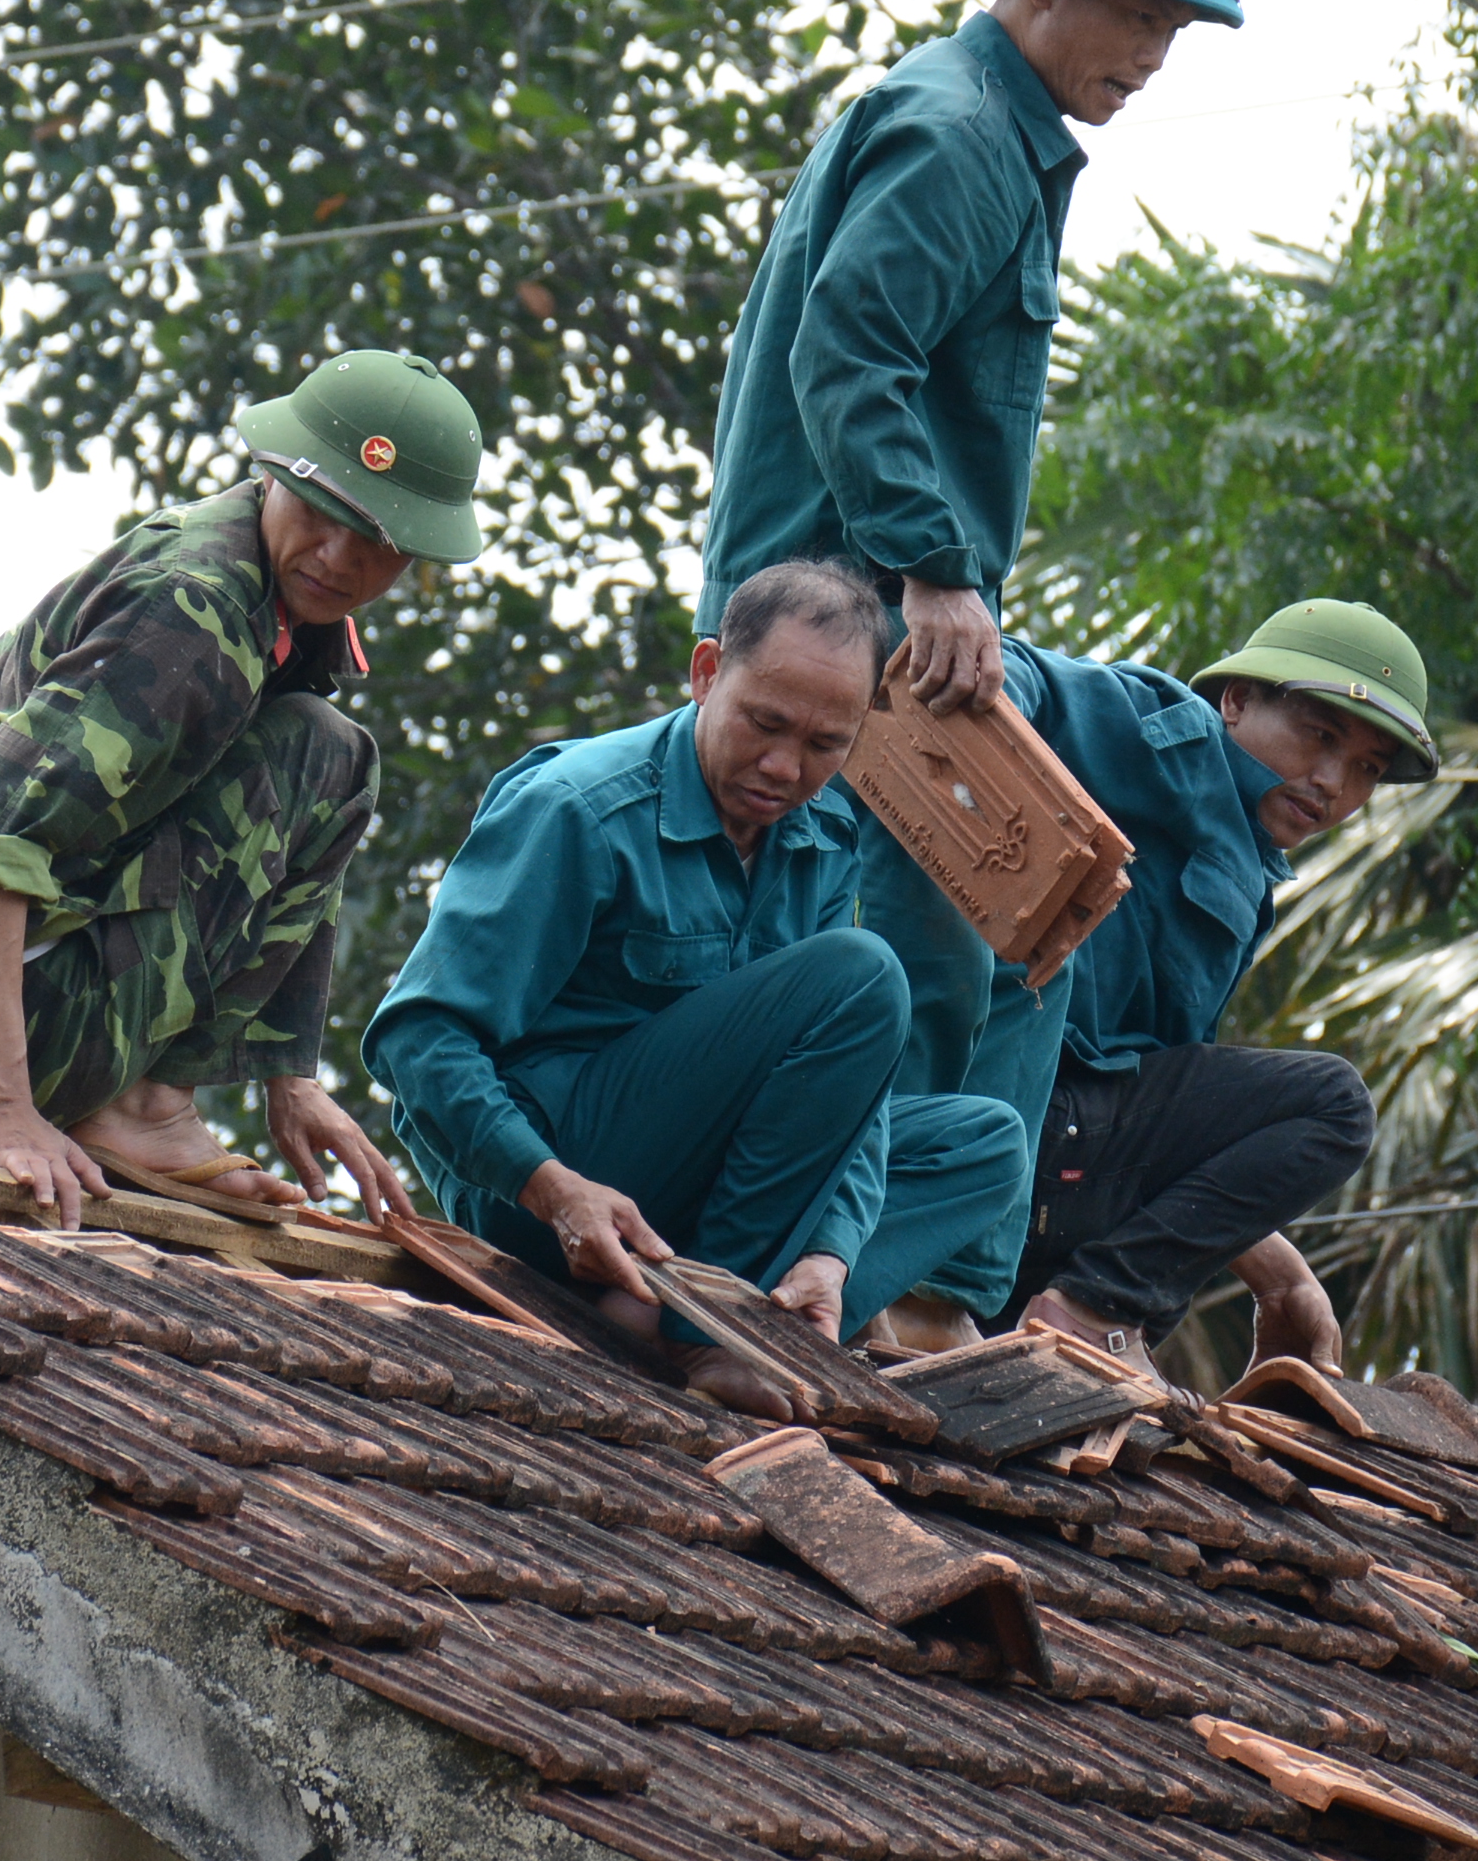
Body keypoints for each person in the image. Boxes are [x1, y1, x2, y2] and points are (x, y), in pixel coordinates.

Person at [685, 0, 1246, 1297]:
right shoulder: (959, 133)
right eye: (1138, 16)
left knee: (1015, 933)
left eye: (1174, 30)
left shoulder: (994, 129)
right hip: (852, 630)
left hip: (876, 616)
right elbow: (850, 353)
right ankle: (870, 1292)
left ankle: (923, 1299)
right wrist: (933, 573)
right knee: (931, 956)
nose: (1153, 55)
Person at [0, 349, 484, 1229]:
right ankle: (136, 1106)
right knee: (321, 752)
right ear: (274, 473)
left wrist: (289, 1074)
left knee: (331, 756)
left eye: (379, 542)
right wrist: (1, 1108)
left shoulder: (281, 609)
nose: (338, 557)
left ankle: (151, 1106)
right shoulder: (191, 611)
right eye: (323, 509)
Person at [366, 559, 1032, 1419]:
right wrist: (551, 1188)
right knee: (863, 974)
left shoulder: (824, 835)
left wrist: (833, 1251)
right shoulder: (578, 808)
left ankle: (740, 1306)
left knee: (985, 1144)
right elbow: (416, 1041)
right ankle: (707, 1333)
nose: (784, 767)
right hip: (551, 1182)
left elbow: (852, 1092)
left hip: (697, 1195)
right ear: (707, 672)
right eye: (765, 723)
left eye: (825, 746)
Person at [989, 598, 1438, 1368]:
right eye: (1320, 735)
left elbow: (1165, 1110)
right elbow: (1004, 672)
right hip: (1013, 1102)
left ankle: (1070, 1324)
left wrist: (1279, 1271)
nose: (1332, 782)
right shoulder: (1172, 734)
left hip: (1057, 1170)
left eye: (1366, 768)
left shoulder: (1252, 870)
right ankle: (1096, 1311)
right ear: (1235, 701)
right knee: (1334, 1106)